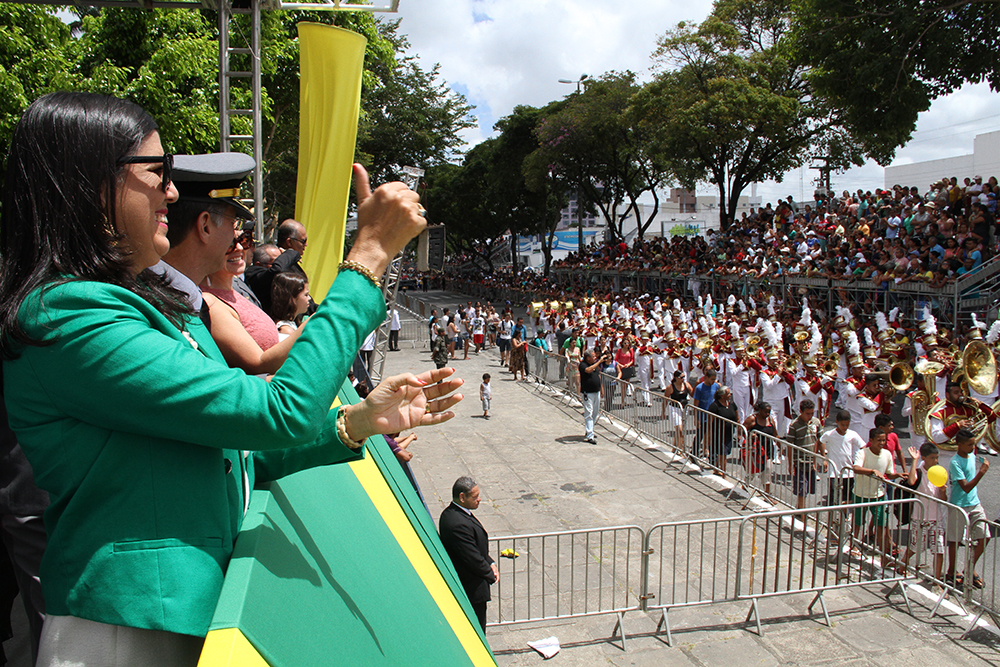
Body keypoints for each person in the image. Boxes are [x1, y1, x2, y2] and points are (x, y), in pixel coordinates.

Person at [0, 92, 462, 665]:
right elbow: (277, 413)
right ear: (91, 183)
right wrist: (365, 260)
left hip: (172, 615)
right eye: (157, 171)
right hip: (126, 631)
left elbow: (228, 452)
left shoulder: (129, 304)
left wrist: (355, 422)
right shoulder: (69, 315)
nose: (171, 191)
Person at [438, 477, 496, 633]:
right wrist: (490, 574)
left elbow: (475, 546)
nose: (479, 499)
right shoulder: (457, 523)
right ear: (462, 497)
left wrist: (491, 562)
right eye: (475, 496)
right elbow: (471, 557)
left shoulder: (456, 514)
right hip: (471, 589)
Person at [945, 427, 990, 590]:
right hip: (959, 505)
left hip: (974, 503)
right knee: (955, 540)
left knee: (985, 536)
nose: (973, 447)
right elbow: (965, 487)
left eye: (974, 444)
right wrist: (981, 473)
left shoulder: (971, 455)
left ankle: (969, 569)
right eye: (970, 444)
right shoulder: (955, 462)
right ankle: (951, 571)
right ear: (960, 445)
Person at [851, 428, 900, 565]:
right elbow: (856, 468)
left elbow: (889, 474)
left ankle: (884, 556)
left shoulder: (887, 454)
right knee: (857, 523)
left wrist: (898, 475)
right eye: (879, 440)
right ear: (871, 440)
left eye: (884, 440)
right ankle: (853, 545)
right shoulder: (862, 453)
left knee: (881, 525)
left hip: (878, 495)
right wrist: (872, 471)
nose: (882, 443)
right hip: (860, 494)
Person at [899, 442, 946, 583]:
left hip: (936, 519)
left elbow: (943, 499)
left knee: (939, 549)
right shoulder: (919, 471)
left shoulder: (939, 472)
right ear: (924, 458)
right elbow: (911, 481)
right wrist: (914, 460)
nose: (935, 461)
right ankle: (902, 565)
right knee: (916, 547)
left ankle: (937, 580)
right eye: (932, 458)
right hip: (920, 518)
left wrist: (943, 491)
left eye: (937, 458)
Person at [786, 399, 822, 509]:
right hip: (799, 462)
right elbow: (789, 445)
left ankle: (799, 506)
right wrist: (790, 464)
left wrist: (821, 458)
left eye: (812, 413)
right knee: (801, 488)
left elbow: (820, 440)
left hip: (811, 462)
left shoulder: (816, 422)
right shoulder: (794, 425)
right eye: (807, 414)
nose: (810, 416)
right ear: (801, 412)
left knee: (808, 487)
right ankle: (802, 511)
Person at [707, 386, 738, 478]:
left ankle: (716, 468)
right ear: (722, 395)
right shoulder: (715, 406)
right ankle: (724, 473)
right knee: (723, 453)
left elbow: (737, 417)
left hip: (729, 433)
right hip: (718, 434)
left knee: (725, 452)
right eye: (728, 393)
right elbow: (710, 421)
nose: (730, 395)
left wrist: (739, 431)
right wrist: (709, 435)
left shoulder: (732, 404)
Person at [270, 272, 310, 341]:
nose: (309, 298)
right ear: (292, 298)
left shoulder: (292, 325)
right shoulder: (286, 330)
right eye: (306, 295)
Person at [580, 349, 603, 444]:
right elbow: (588, 370)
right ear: (588, 358)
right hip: (587, 392)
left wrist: (601, 389)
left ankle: (590, 429)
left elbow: (598, 376)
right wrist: (599, 362)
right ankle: (590, 435)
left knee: (595, 412)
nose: (595, 358)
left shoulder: (595, 365)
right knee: (588, 412)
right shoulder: (583, 365)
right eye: (593, 356)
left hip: (596, 391)